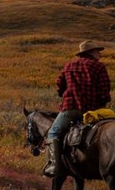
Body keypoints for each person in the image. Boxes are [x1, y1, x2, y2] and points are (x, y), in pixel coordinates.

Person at [43, 40, 111, 177]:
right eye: (97, 51)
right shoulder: (99, 67)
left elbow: (59, 86)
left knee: (53, 133)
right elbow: (105, 90)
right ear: (90, 52)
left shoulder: (69, 66)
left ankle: (54, 166)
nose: (99, 54)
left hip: (71, 109)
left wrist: (66, 95)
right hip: (94, 111)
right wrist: (102, 103)